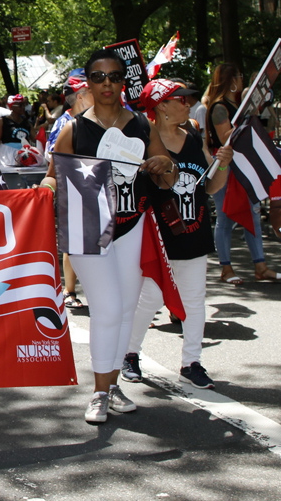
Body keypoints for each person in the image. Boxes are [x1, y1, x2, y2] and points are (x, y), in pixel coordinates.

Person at [41, 49, 176, 424]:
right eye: (98, 77)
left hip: (131, 226)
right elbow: (53, 176)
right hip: (87, 226)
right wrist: (44, 191)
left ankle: (112, 385)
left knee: (126, 310)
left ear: (123, 81)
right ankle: (100, 392)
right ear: (88, 82)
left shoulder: (142, 126)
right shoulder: (73, 129)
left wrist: (165, 165)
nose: (106, 84)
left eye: (114, 77)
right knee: (108, 307)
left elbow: (169, 174)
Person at [121, 79, 233, 390]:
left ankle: (191, 362)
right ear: (160, 106)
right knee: (150, 299)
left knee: (196, 301)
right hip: (159, 238)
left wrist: (223, 165)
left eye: (186, 99)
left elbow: (210, 186)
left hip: (194, 234)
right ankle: (130, 355)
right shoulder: (141, 141)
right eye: (179, 99)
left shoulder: (194, 135)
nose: (187, 103)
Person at [203, 63, 278, 285]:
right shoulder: (219, 107)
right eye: (239, 76)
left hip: (240, 164)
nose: (242, 80)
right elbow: (226, 135)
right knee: (225, 218)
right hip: (226, 165)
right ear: (231, 79)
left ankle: (260, 266)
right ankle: (226, 268)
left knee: (253, 213)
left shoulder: (233, 105)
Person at [47, 69, 93, 309]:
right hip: (71, 189)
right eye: (89, 91)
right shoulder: (64, 123)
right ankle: (69, 290)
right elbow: (51, 157)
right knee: (72, 242)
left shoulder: (97, 119)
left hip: (95, 188)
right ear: (80, 95)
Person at [0, 94, 41, 188]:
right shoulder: (2, 121)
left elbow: (35, 138)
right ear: (12, 107)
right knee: (10, 181)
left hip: (24, 156)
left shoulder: (26, 123)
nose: (23, 107)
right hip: (7, 156)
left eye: (24, 105)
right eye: (20, 105)